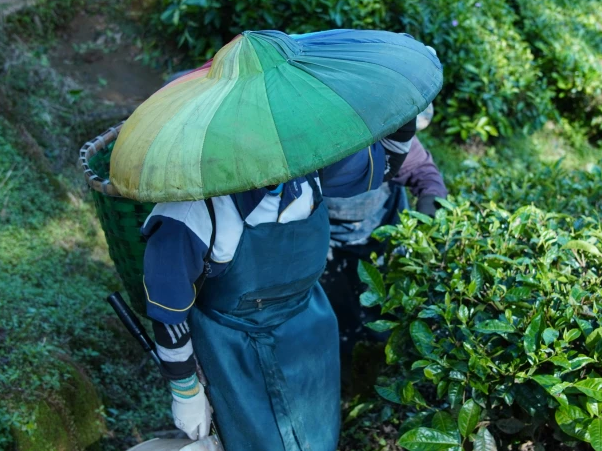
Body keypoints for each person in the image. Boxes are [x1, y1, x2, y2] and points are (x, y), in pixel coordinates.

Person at [141, 116, 418, 449]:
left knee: (318, 433)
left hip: (310, 328)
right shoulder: (191, 212)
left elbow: (384, 165)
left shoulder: (309, 169)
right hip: (235, 347)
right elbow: (167, 309)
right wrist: (185, 390)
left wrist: (401, 110)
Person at [320, 106, 448, 356]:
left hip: (379, 227)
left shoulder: (386, 136)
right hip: (327, 236)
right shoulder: (309, 145)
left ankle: (377, 355)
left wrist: (430, 216)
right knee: (337, 308)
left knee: (378, 304)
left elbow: (424, 173)